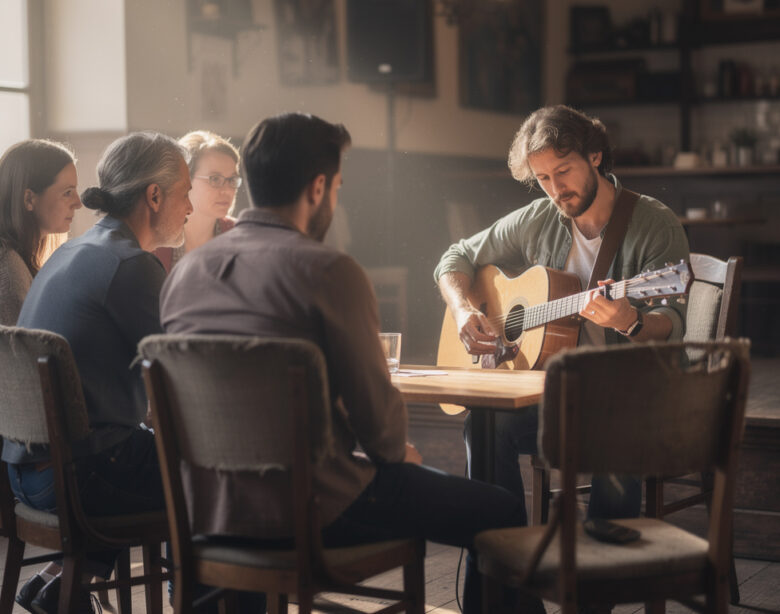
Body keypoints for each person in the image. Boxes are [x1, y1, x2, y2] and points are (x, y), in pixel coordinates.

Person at [159, 112, 543, 614]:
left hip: (208, 511)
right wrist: (390, 455)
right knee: (502, 509)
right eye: (337, 186)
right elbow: (381, 432)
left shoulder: (184, 275)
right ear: (318, 188)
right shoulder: (328, 271)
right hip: (313, 512)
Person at [434, 104, 690, 526]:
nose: (556, 190)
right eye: (543, 179)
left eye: (564, 171)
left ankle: (601, 580)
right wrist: (463, 309)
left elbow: (671, 325)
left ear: (594, 156)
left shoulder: (655, 225)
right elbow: (455, 256)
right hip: (552, 396)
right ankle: (507, 567)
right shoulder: (540, 218)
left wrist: (630, 320)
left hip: (629, 398)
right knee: (484, 422)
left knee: (616, 429)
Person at [3, 132, 192, 614]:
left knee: (138, 447)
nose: (190, 206)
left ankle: (60, 586)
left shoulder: (72, 251)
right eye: (185, 192)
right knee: (217, 480)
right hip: (79, 475)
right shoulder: (131, 265)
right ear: (154, 196)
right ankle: (203, 603)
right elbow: (184, 381)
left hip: (25, 471)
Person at [0, 139, 82, 326]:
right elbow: (22, 353)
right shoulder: (9, 273)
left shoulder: (17, 261)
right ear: (29, 199)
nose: (78, 203)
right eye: (68, 192)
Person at [154, 130, 241, 272]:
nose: (227, 190)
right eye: (215, 179)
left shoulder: (240, 237)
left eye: (232, 180)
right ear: (183, 181)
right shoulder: (154, 241)